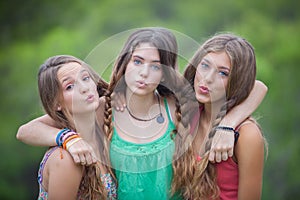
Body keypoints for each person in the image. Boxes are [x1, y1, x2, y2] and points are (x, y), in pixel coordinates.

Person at [17, 28, 267, 199]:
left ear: (165, 73)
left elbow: (254, 85)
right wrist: (66, 138)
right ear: (125, 63)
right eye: (137, 62)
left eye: (155, 66)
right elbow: (27, 130)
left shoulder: (179, 103)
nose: (144, 73)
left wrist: (228, 124)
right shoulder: (103, 104)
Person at [172, 33, 267, 199]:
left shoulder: (246, 135)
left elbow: (259, 86)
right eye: (205, 66)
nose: (207, 79)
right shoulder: (188, 113)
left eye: (223, 73)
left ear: (237, 80)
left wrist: (227, 124)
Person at [25, 55, 117, 199]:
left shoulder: (103, 127)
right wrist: (67, 138)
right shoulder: (65, 159)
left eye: (85, 78)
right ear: (56, 104)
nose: (85, 88)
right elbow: (24, 131)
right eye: (70, 86)